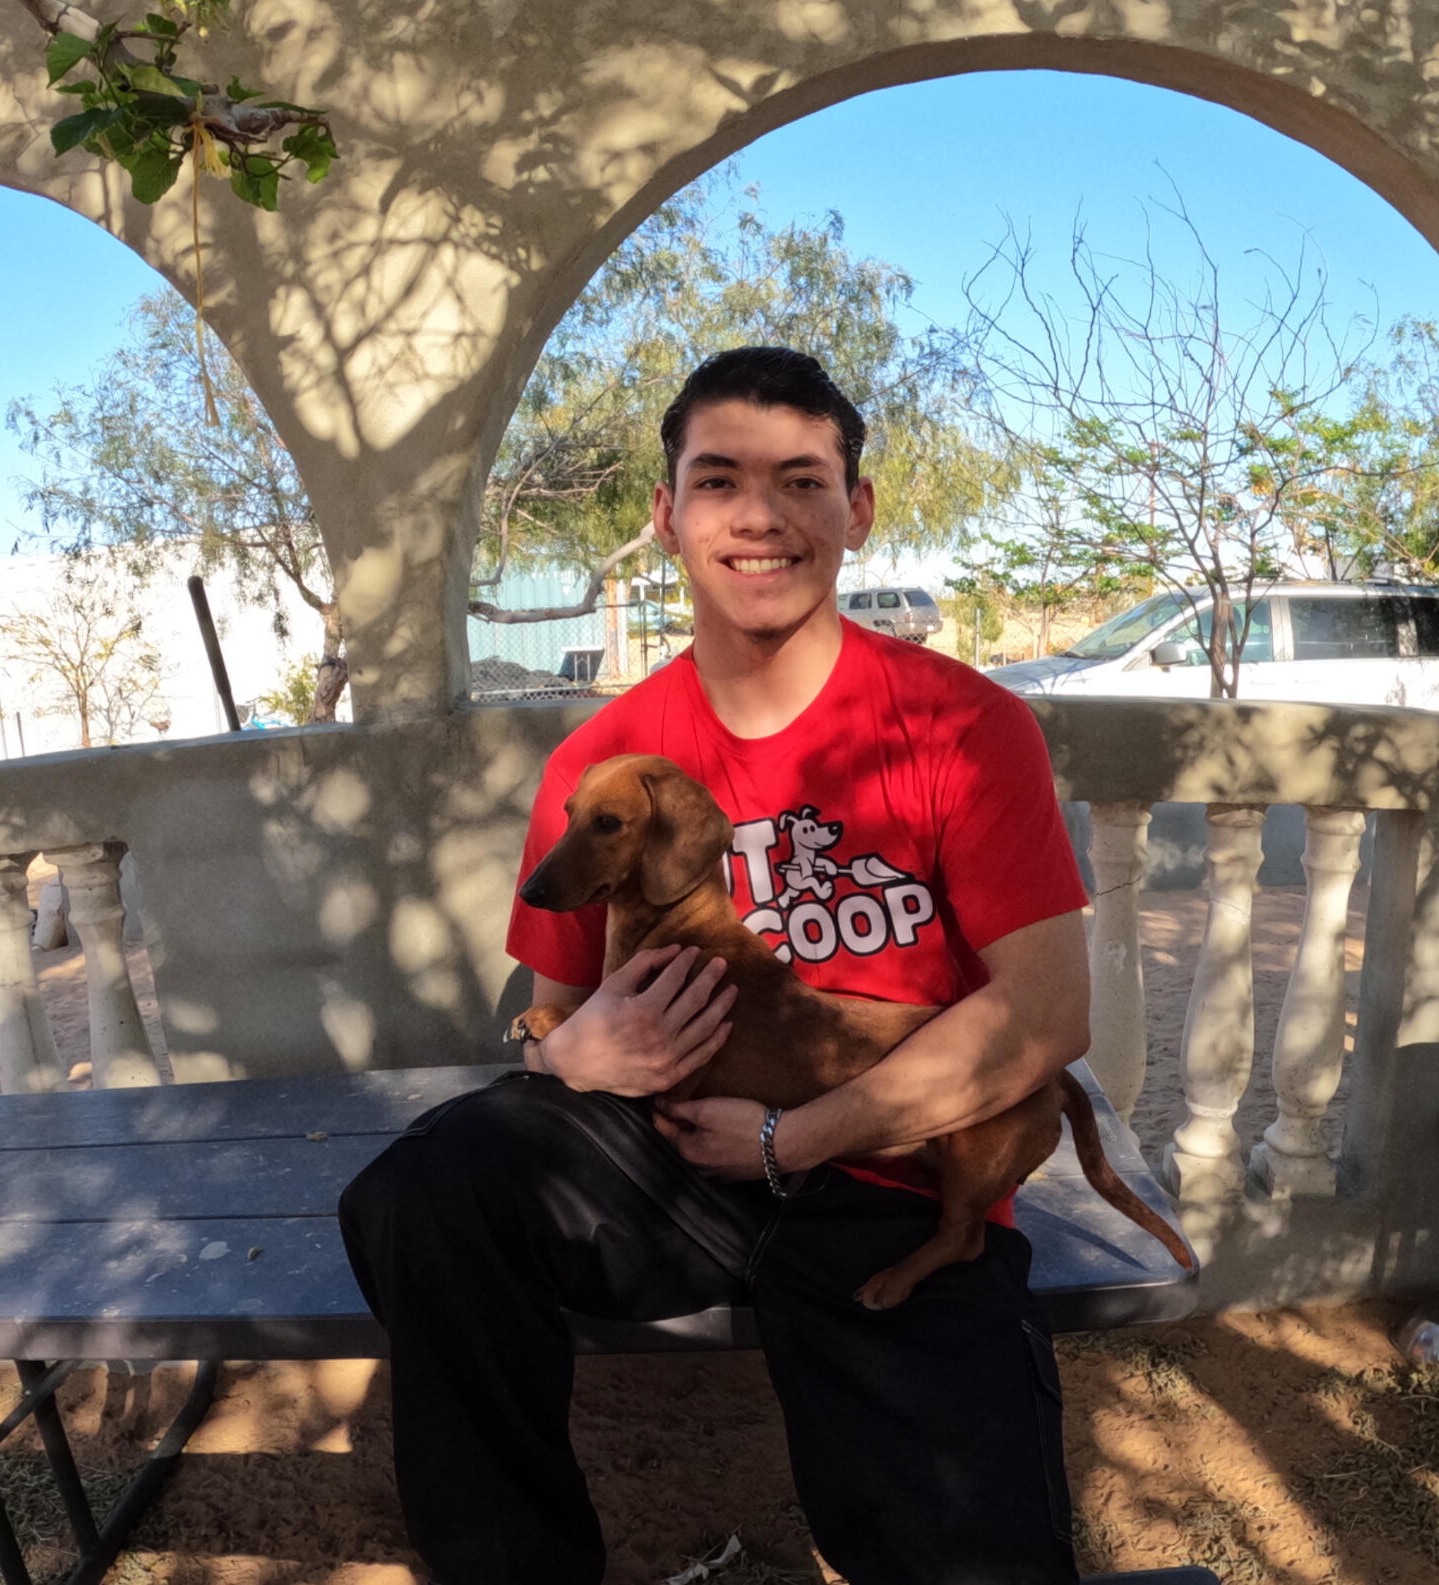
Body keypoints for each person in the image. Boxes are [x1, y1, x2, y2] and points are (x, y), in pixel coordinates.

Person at [338, 346, 1093, 1585]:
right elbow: (550, 1010)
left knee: (976, 1555)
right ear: (667, 514)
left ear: (855, 510)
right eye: (719, 480)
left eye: (801, 481)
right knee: (429, 1190)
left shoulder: (965, 727)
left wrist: (793, 1138)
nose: (758, 516)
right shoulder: (606, 757)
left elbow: (1047, 1015)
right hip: (662, 1163)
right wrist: (564, 1055)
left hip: (891, 1175)